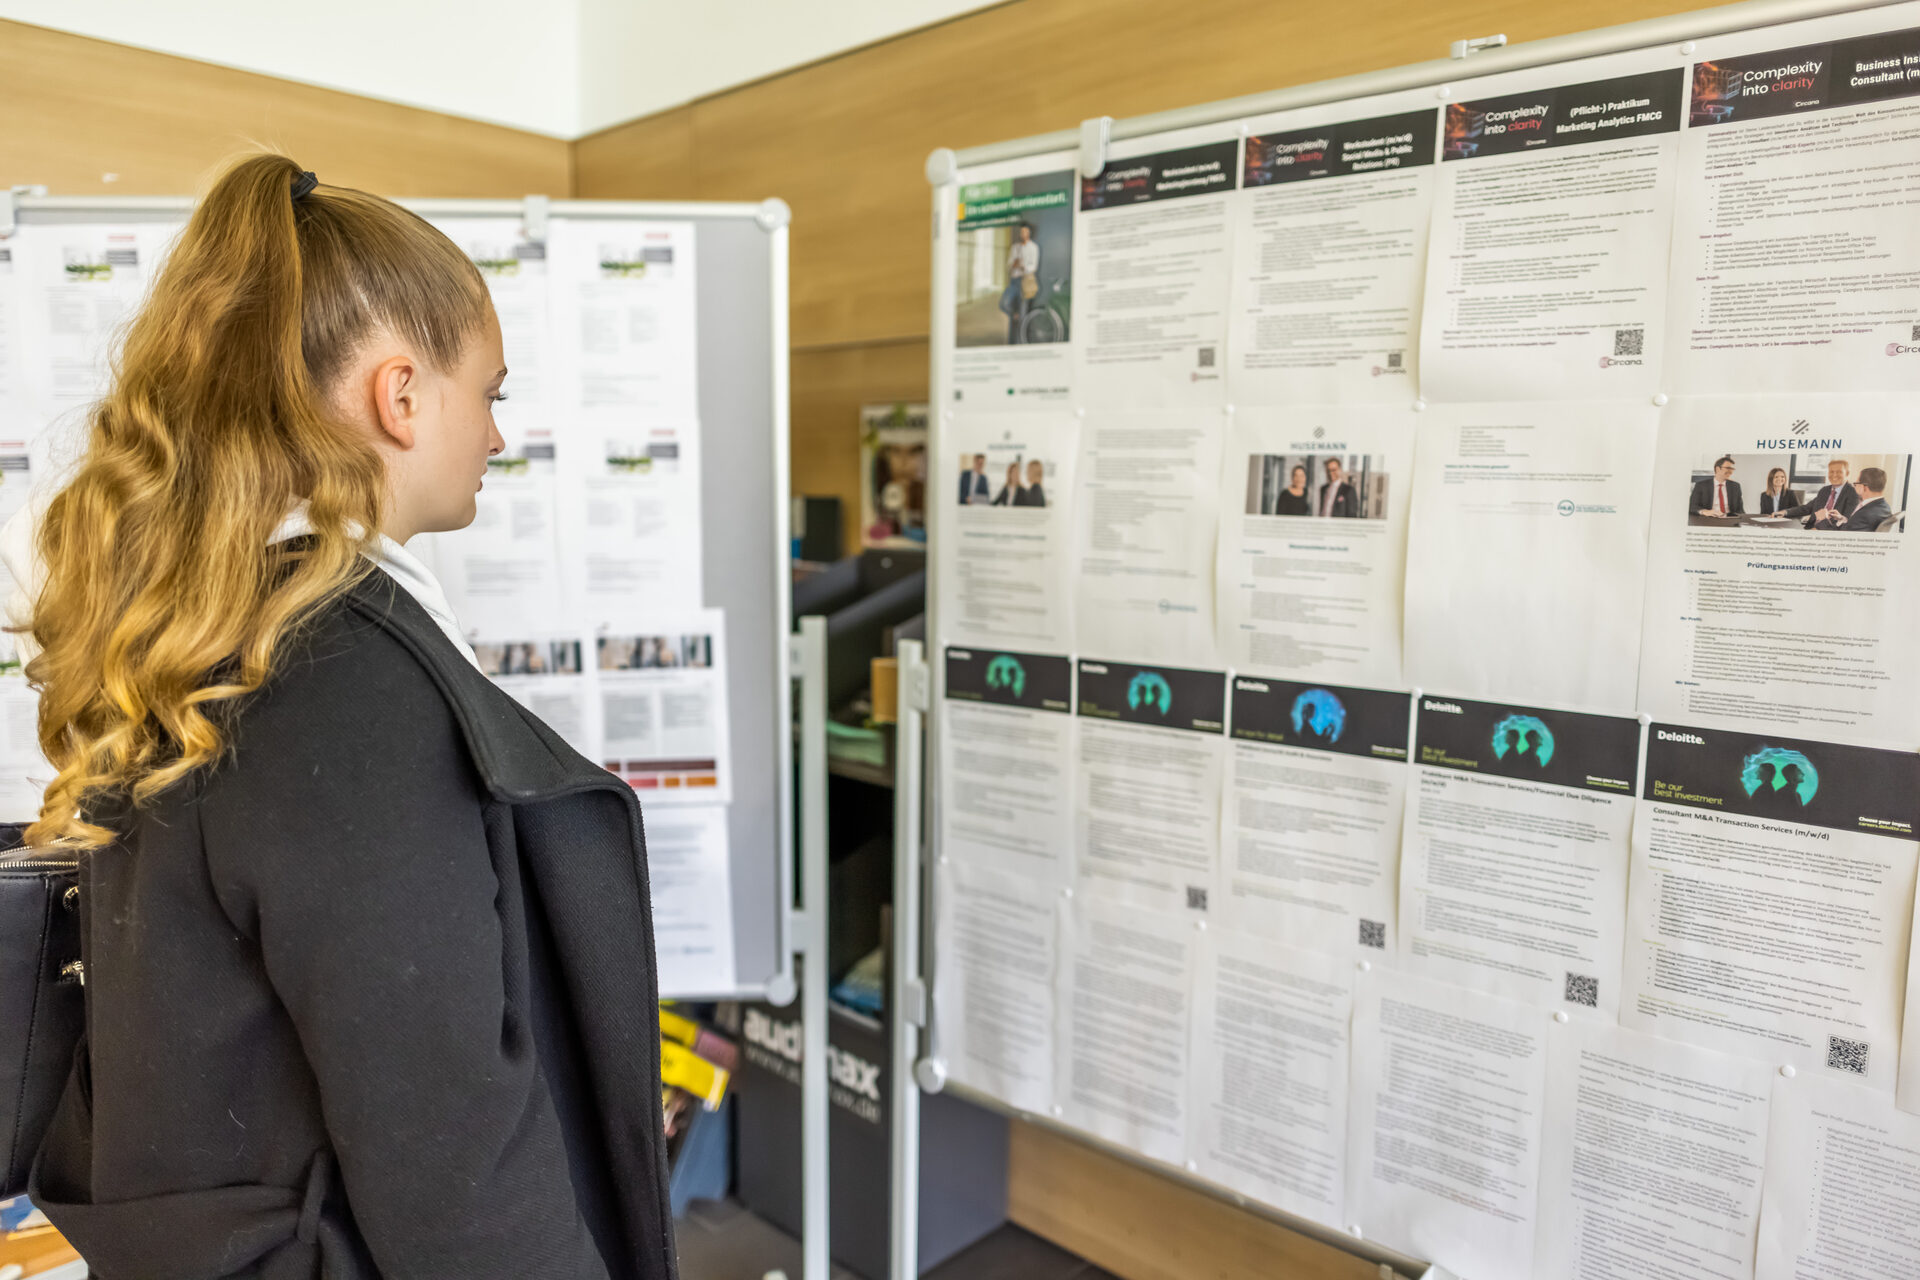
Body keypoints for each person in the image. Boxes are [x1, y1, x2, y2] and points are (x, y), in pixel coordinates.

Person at [11, 156, 676, 1279]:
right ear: (400, 395)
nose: (498, 437)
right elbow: (454, 1160)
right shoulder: (346, 683)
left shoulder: (215, 627)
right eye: (492, 393)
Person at [1778, 458, 1859, 527]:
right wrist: (1785, 512)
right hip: (1810, 529)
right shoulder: (1824, 490)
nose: (1834, 475)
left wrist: (1823, 520)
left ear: (1847, 473)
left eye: (1839, 472)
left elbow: (1847, 522)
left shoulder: (1853, 493)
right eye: (1831, 471)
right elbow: (1807, 508)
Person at [1817, 466, 1894, 531]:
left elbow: (1839, 538)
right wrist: (1842, 519)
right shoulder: (1883, 506)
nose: (1854, 486)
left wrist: (1822, 519)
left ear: (1864, 487)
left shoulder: (1865, 514)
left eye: (1856, 483)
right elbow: (1854, 527)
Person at [998, 223, 1039, 344]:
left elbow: (1034, 266)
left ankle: (1019, 344)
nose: (1023, 234)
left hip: (1025, 282)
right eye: (1022, 232)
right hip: (1014, 281)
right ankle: (1015, 314)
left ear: (1029, 233)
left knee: (1023, 316)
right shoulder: (1015, 247)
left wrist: (1022, 266)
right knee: (1004, 304)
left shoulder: (1034, 247)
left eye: (1026, 232)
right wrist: (1013, 264)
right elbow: (1008, 265)